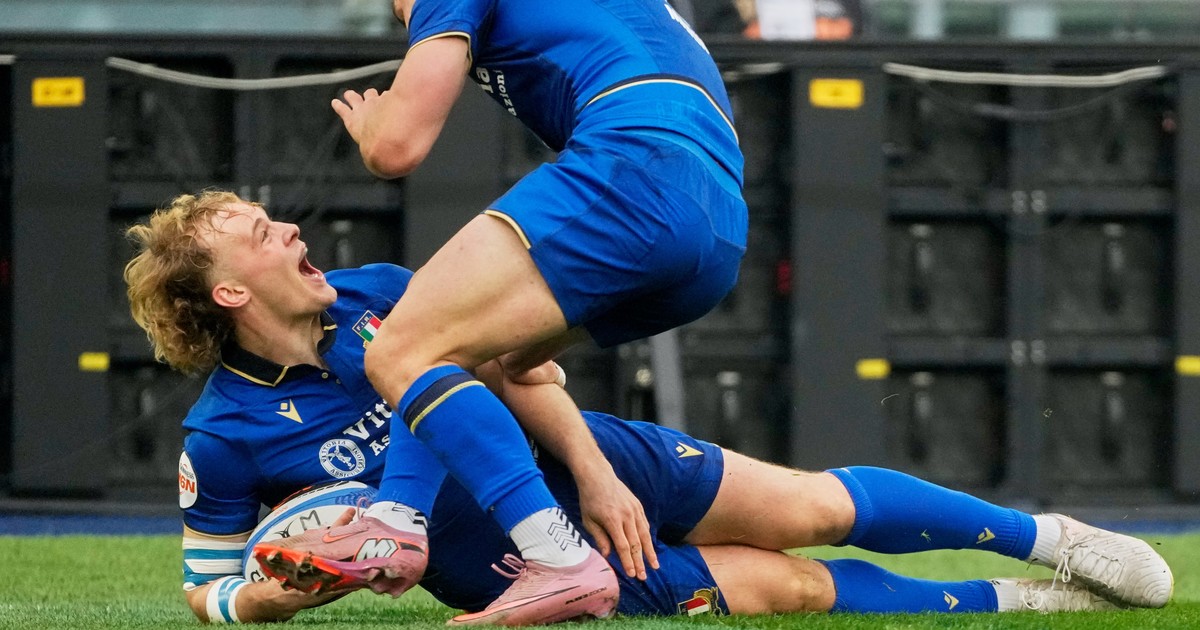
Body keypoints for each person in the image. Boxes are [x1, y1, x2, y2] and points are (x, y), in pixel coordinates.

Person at [124, 193, 1173, 625]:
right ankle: (1022, 602)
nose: (289, 230)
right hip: (501, 570)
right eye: (260, 234)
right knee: (790, 587)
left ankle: (1056, 541)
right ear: (230, 292)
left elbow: (527, 376)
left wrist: (595, 473)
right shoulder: (222, 435)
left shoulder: (384, 293)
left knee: (812, 507)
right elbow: (206, 588)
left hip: (595, 466)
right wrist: (277, 597)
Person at [291, 0, 754, 622]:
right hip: (718, 229)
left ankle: (551, 555)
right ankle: (399, 518)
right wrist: (591, 469)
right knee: (482, 354)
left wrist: (373, 129)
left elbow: (397, 147)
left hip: (639, 168)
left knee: (401, 346)